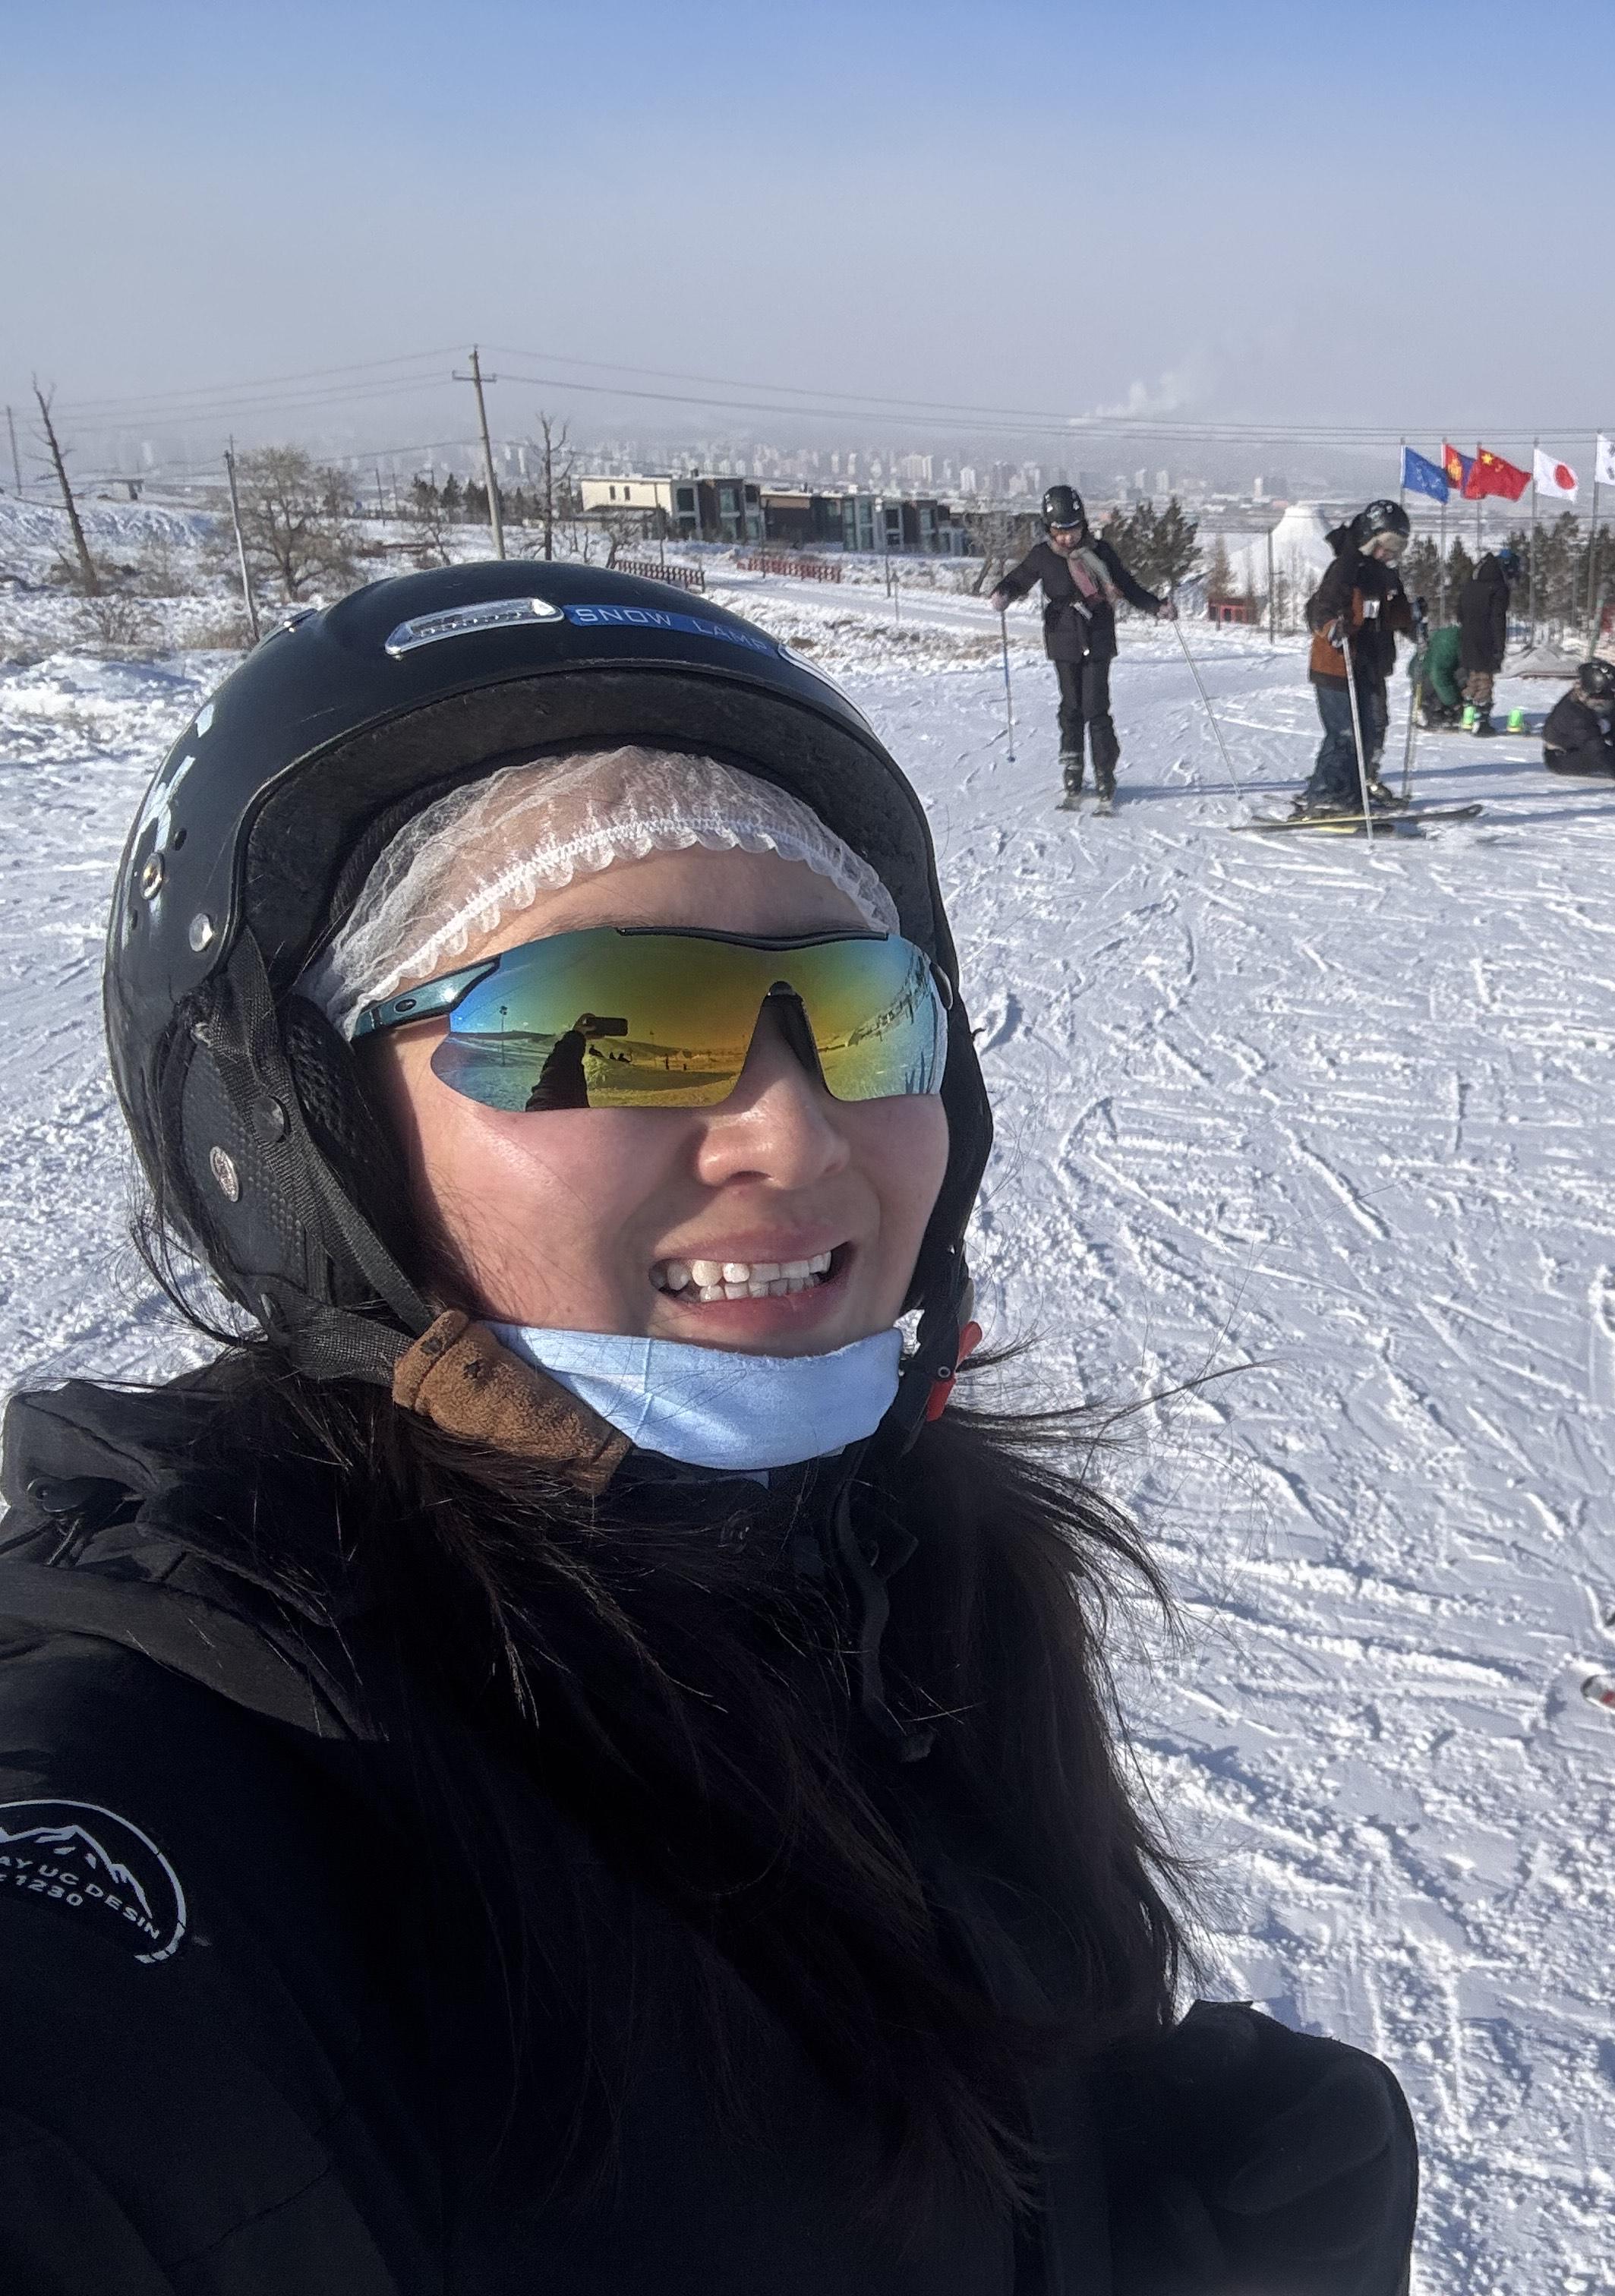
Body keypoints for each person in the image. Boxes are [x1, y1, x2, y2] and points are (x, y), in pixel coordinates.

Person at [0, 562, 1417, 2292]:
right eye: (608, 1028)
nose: (798, 1135)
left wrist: (1126, 2225)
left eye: (863, 1015)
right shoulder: (206, 1758)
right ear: (300, 1134)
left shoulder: (910, 1566)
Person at [989, 482, 1172, 815]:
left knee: (1096, 707)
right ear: (1049, 530)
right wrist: (1004, 593)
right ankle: (1072, 770)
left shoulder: (1101, 553)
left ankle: (1104, 773)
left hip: (1098, 635)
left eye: (1072, 529)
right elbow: (1020, 578)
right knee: (1071, 707)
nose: (1066, 538)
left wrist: (1156, 606)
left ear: (1083, 524)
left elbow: (1128, 586)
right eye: (1059, 531)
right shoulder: (1043, 556)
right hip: (1062, 637)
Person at [1295, 499, 1420, 819]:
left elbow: (1395, 614)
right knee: (1344, 733)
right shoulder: (1346, 568)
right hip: (1337, 664)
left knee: (1365, 733)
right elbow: (1321, 607)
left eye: (1398, 547)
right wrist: (1330, 627)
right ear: (1369, 538)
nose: (1390, 553)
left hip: (1366, 665)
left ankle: (1349, 791)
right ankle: (1326, 794)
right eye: (1387, 544)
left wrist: (1415, 621)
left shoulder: (1385, 575)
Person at [1541, 658, 1615, 789]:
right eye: (1602, 697)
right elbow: (1594, 748)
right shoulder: (1574, 712)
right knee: (1597, 757)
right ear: (1590, 692)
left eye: (1610, 695)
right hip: (1561, 756)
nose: (1607, 701)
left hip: (1588, 744)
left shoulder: (1605, 703)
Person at [1454, 543, 1514, 733]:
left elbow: (1459, 613)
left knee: (1473, 678)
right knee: (1485, 680)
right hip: (1486, 639)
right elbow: (1498, 619)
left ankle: (1467, 716)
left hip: (1468, 638)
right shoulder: (1497, 588)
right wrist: (1499, 647)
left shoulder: (1471, 585)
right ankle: (1482, 721)